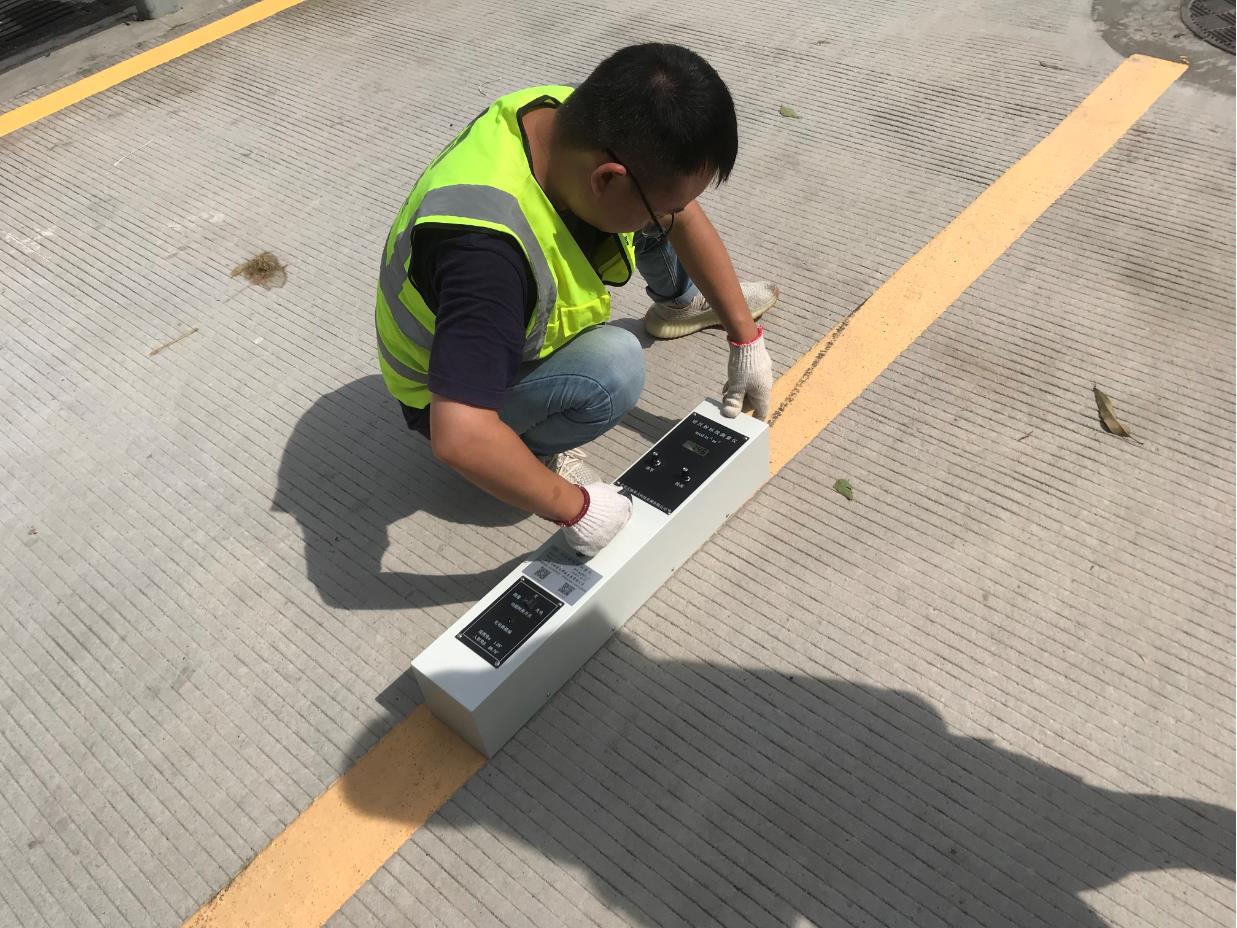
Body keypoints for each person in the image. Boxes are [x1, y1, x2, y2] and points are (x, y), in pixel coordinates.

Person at [375, 43, 778, 557]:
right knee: (614, 365)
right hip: (438, 396)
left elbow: (678, 213)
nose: (680, 213)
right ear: (607, 178)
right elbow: (459, 435)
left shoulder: (572, 118)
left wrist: (745, 338)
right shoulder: (487, 258)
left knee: (654, 213)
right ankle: (534, 449)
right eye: (671, 205)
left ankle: (676, 304)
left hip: (489, 312)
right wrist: (576, 509)